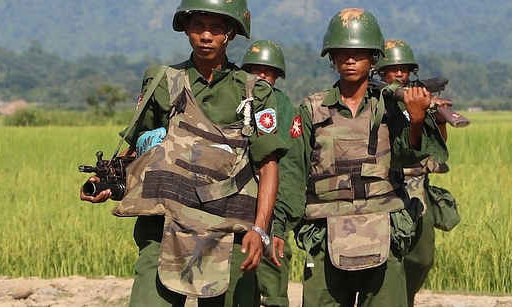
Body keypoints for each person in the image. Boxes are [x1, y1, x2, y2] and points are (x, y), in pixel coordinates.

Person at [80, 1, 287, 306]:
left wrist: (259, 229)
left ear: (231, 33)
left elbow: (269, 164)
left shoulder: (254, 92)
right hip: (165, 226)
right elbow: (139, 147)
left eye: (216, 27)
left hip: (229, 231)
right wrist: (108, 180)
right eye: (198, 26)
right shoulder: (161, 82)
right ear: (186, 29)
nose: (206, 35)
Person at [270, 8, 447, 307]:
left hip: (383, 229)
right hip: (325, 233)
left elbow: (408, 156)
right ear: (332, 57)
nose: (350, 60)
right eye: (342, 52)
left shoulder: (391, 107)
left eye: (359, 53)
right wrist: (277, 228)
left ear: (374, 58)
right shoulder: (312, 109)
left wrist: (416, 121)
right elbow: (292, 173)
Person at [375, 39, 451, 307]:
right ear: (380, 71)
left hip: (418, 187)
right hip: (385, 186)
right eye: (393, 69)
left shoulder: (418, 99)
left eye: (404, 69)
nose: (399, 74)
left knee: (422, 257)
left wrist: (437, 118)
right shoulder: (377, 101)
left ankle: (405, 299)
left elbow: (437, 148)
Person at [240, 39, 294, 307]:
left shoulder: (280, 104)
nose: (261, 75)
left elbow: (287, 165)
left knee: (272, 280)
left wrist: (280, 223)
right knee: (240, 282)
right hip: (237, 201)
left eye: (268, 70)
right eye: (254, 69)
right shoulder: (236, 99)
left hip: (270, 202)